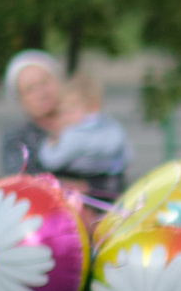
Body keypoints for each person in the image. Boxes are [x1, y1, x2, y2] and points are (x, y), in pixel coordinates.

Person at [35, 69, 132, 199]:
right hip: (111, 185)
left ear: (90, 108)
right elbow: (127, 155)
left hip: (81, 186)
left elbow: (51, 161)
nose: (64, 117)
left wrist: (49, 144)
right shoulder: (111, 127)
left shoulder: (73, 135)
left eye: (68, 111)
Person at [1, 50, 67, 179]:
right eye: (30, 89)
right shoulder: (17, 138)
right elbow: (23, 184)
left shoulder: (87, 124)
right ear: (20, 101)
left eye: (44, 82)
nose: (41, 93)